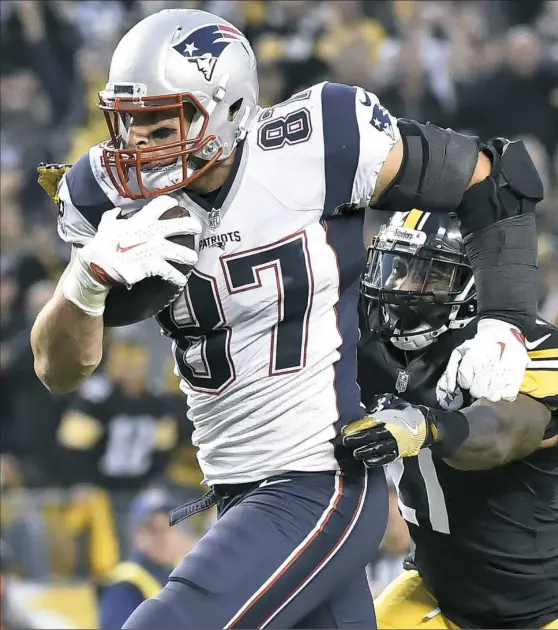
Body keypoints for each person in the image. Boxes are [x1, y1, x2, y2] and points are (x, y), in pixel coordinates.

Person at [31, 8, 543, 629]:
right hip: (234, 487)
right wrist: (85, 282)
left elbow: (496, 177)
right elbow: (59, 370)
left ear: (226, 109)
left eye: (160, 123)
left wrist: (506, 320)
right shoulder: (104, 193)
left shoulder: (317, 141)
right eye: (129, 124)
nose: (138, 147)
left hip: (319, 479)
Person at [343, 210, 558, 629]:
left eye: (431, 274)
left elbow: (503, 434)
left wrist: (428, 426)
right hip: (438, 592)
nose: (402, 286)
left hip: (543, 607)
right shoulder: (371, 345)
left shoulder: (521, 349)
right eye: (399, 267)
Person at [99, 488, 197, 630]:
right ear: (137, 535)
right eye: (152, 529)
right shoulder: (125, 584)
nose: (163, 537)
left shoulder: (185, 573)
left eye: (169, 527)